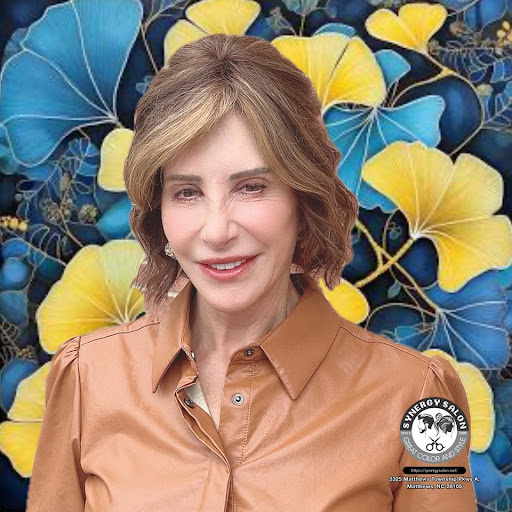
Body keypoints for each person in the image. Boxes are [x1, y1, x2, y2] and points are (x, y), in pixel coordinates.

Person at [27, 34, 477, 511]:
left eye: (251, 187)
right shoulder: (87, 376)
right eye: (187, 192)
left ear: (304, 199)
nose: (217, 231)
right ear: (159, 212)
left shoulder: (419, 398)